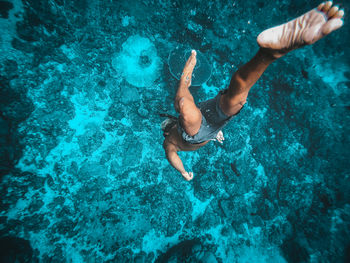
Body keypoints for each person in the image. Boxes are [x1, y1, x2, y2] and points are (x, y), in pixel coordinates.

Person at [162, 1, 344, 181]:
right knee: (187, 102)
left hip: (210, 126)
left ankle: (271, 54)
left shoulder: (173, 141)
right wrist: (189, 67)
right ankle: (265, 55)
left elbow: (172, 156)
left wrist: (184, 172)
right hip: (207, 123)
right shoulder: (171, 138)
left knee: (236, 96)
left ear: (170, 126)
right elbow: (172, 156)